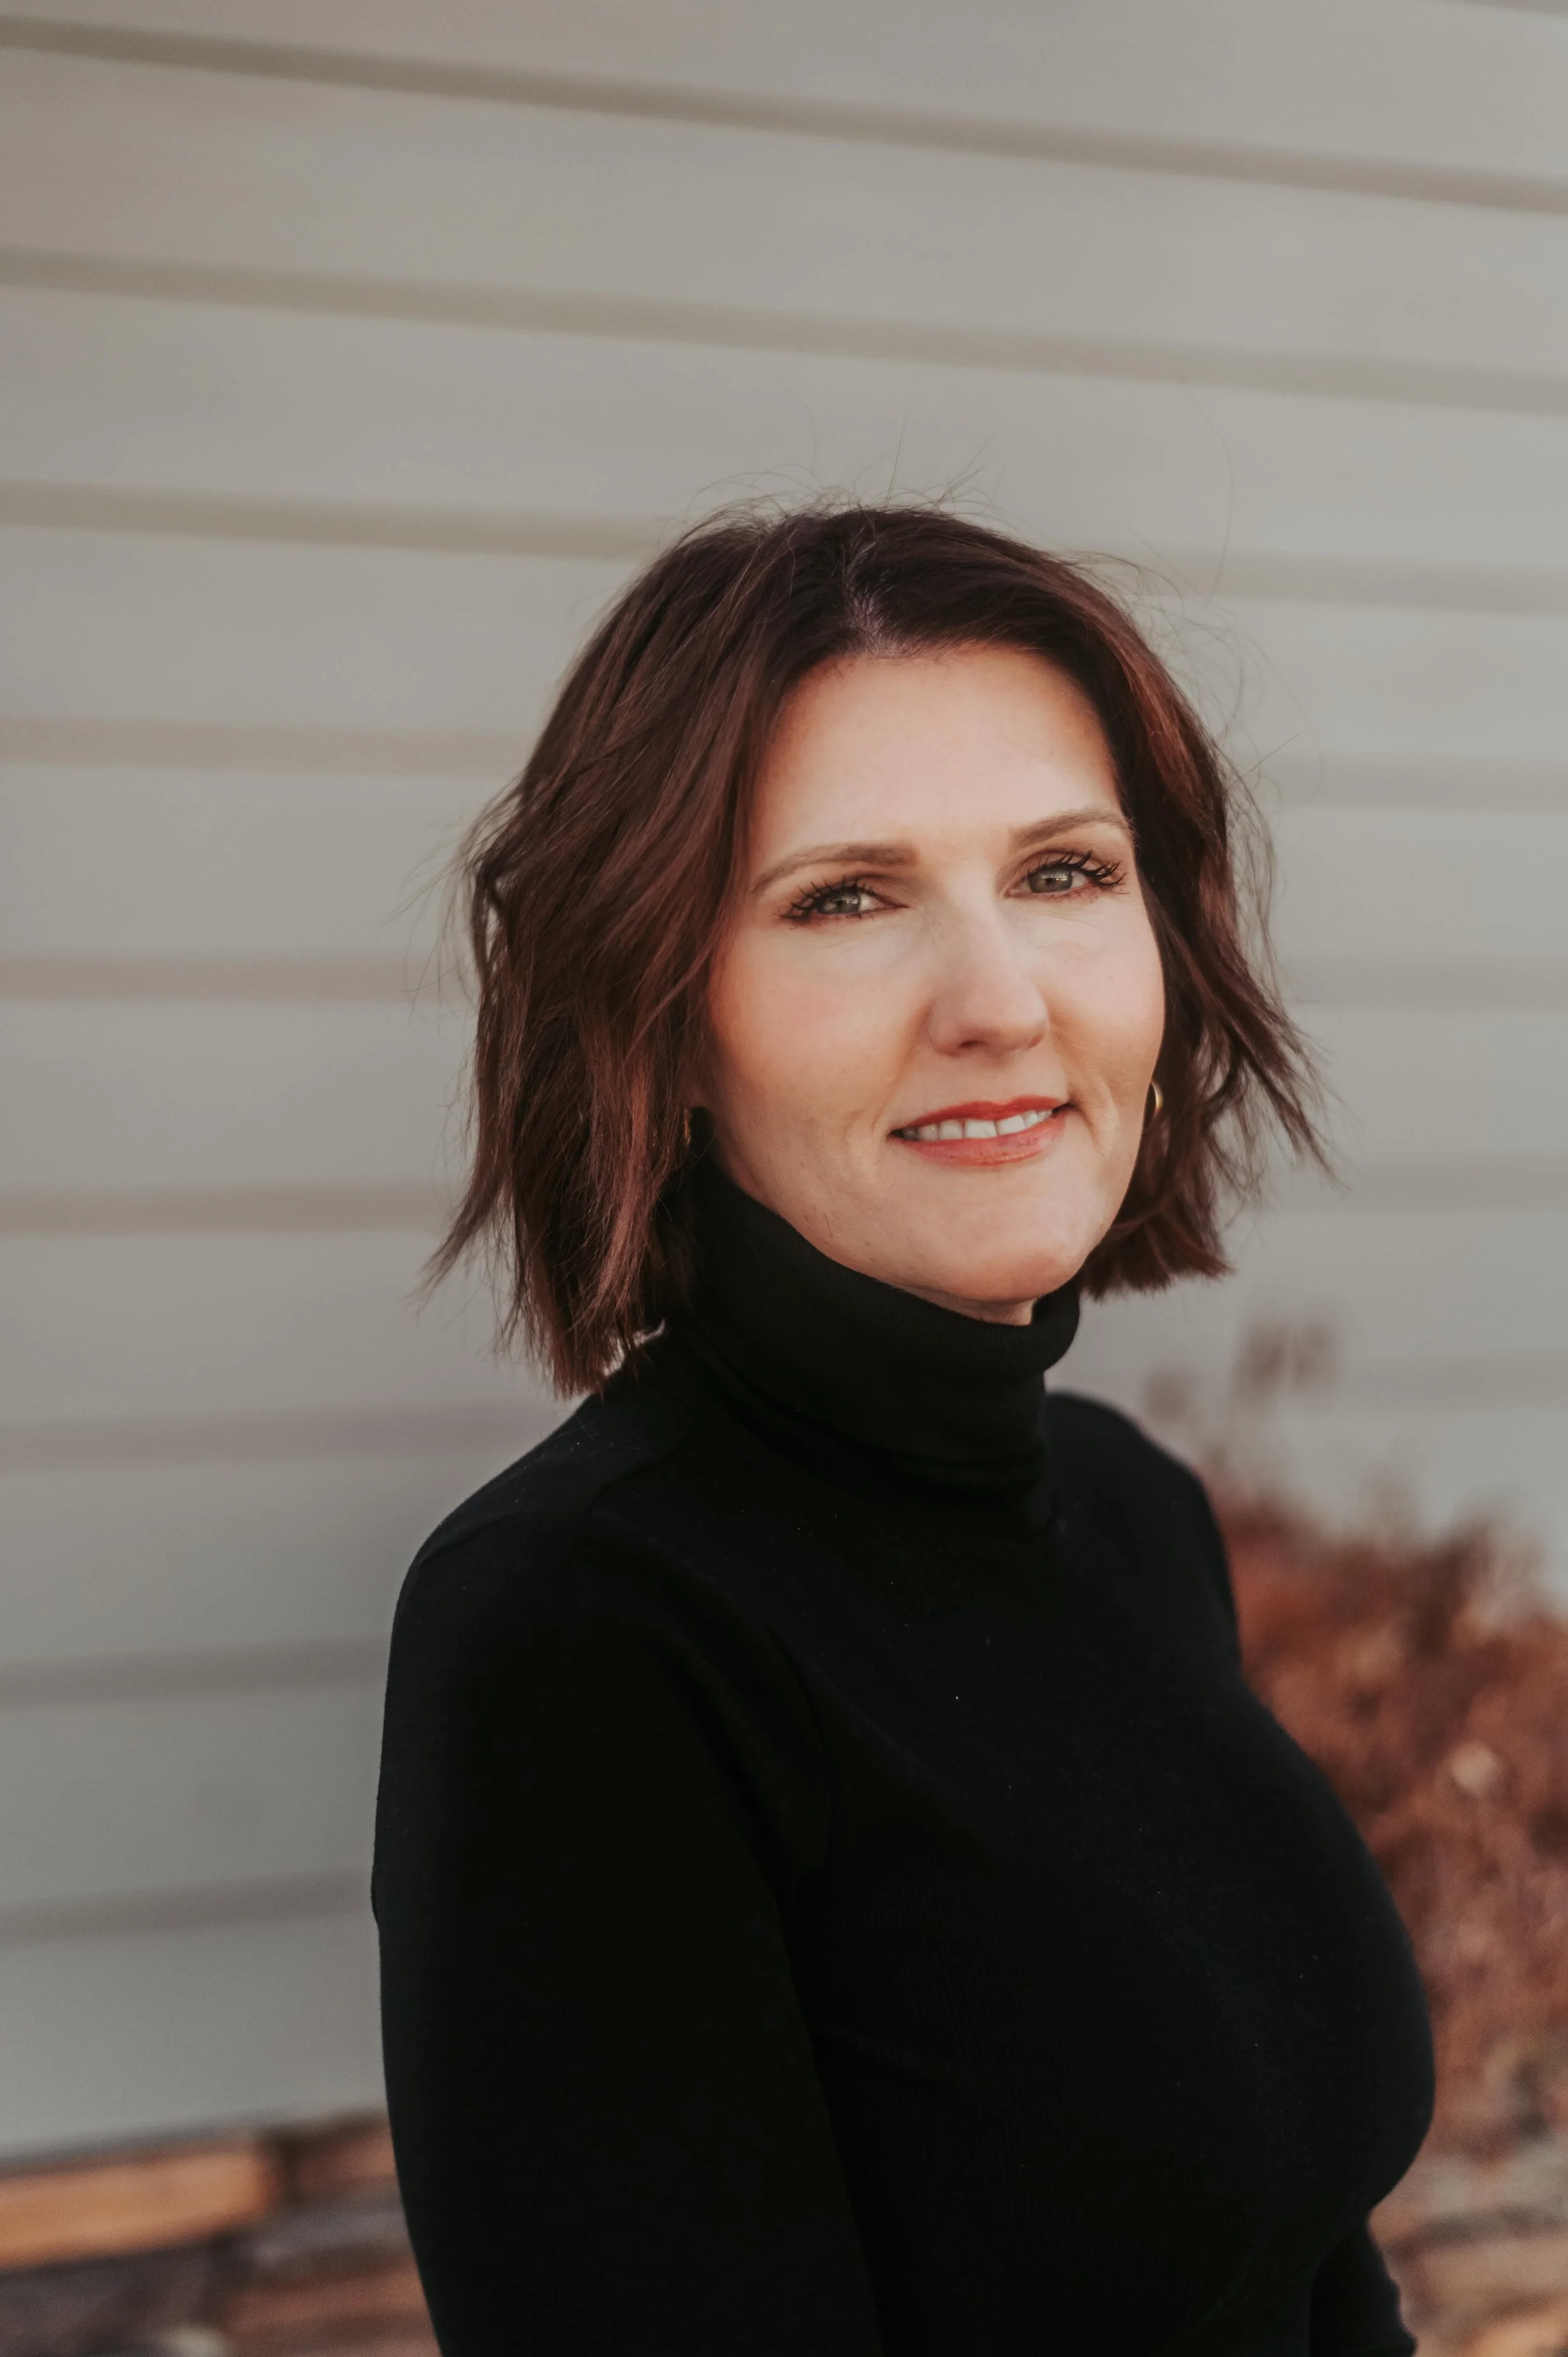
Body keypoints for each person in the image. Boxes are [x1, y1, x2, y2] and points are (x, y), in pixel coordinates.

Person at [373, 504, 1433, 2354]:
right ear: (658, 1013)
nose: (998, 1001)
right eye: (844, 898)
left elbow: (1305, 2261)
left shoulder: (1125, 1510)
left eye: (1064, 872)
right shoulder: (584, 1632)